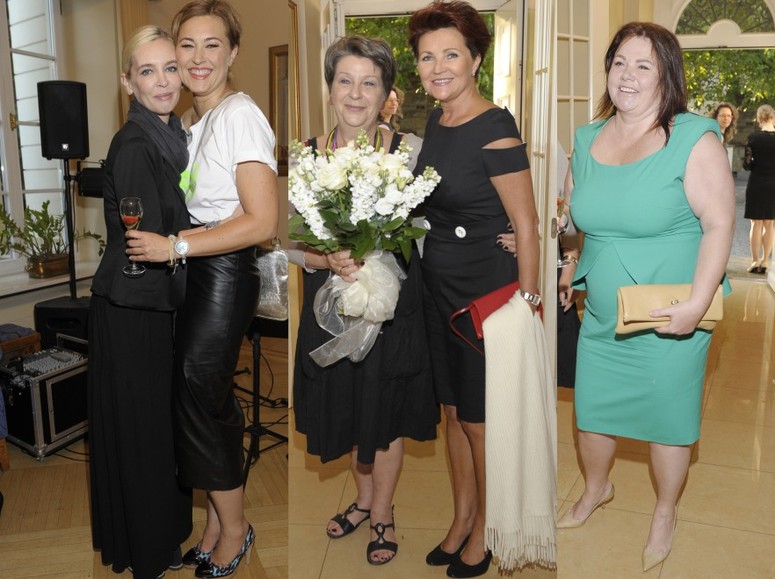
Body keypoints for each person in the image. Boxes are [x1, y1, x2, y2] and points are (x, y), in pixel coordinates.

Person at [557, 22, 734, 572]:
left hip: (670, 313)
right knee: (592, 415)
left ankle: (664, 511)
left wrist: (697, 305)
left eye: (643, 65)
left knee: (667, 418)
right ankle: (596, 489)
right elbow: (579, 218)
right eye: (619, 63)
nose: (627, 76)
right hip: (602, 312)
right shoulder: (587, 138)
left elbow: (719, 224)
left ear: (666, 75)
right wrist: (569, 262)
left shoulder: (695, 137)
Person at [126, 1, 279, 577]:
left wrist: (176, 246)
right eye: (186, 45)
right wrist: (187, 240)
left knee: (200, 395)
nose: (197, 57)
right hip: (201, 270)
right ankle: (216, 524)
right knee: (202, 399)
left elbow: (262, 222)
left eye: (212, 44)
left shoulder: (240, 115)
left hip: (224, 274)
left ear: (233, 53)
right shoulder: (194, 122)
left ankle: (236, 530)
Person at [291, 36, 438, 567]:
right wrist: (325, 258)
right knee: (350, 407)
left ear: (385, 93)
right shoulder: (306, 156)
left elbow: (431, 229)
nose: (356, 94)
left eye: (369, 83)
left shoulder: (410, 152)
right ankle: (362, 499)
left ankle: (382, 512)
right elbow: (288, 244)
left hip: (393, 309)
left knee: (387, 412)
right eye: (345, 81)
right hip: (331, 308)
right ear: (330, 89)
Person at [408, 2, 541, 577]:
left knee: (480, 419)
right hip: (438, 285)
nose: (438, 67)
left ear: (476, 60)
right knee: (453, 411)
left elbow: (527, 225)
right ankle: (462, 515)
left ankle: (488, 526)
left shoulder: (495, 127)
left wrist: (528, 304)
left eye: (450, 55)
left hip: (484, 291)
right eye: (427, 57)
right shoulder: (437, 122)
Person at [87, 25, 192, 579]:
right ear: (128, 82)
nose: (162, 81)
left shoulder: (170, 136)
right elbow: (146, 243)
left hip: (152, 304)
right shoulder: (135, 144)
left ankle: (161, 537)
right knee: (145, 432)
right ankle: (150, 550)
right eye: (147, 71)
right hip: (135, 310)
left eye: (170, 68)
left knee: (155, 430)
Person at [742, 104, 775, 274]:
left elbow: (747, 165)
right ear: (773, 118)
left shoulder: (753, 138)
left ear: (759, 118)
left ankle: (755, 261)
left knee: (756, 223)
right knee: (770, 223)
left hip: (757, 182)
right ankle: (765, 261)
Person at [712, 102, 737, 171]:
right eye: (722, 115)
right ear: (716, 117)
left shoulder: (721, 135)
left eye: (729, 116)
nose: (726, 118)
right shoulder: (714, 136)